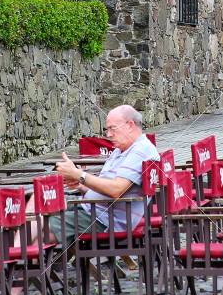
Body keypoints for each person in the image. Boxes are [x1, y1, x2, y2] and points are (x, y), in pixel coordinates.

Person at [50, 104, 159, 243]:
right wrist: (81, 185)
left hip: (105, 219)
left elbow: (116, 190)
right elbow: (107, 187)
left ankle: (23, 260)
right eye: (107, 129)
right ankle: (26, 258)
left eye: (112, 128)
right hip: (95, 208)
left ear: (130, 125)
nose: (108, 135)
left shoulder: (141, 150)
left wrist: (80, 175)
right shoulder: (121, 150)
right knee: (39, 200)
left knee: (44, 223)